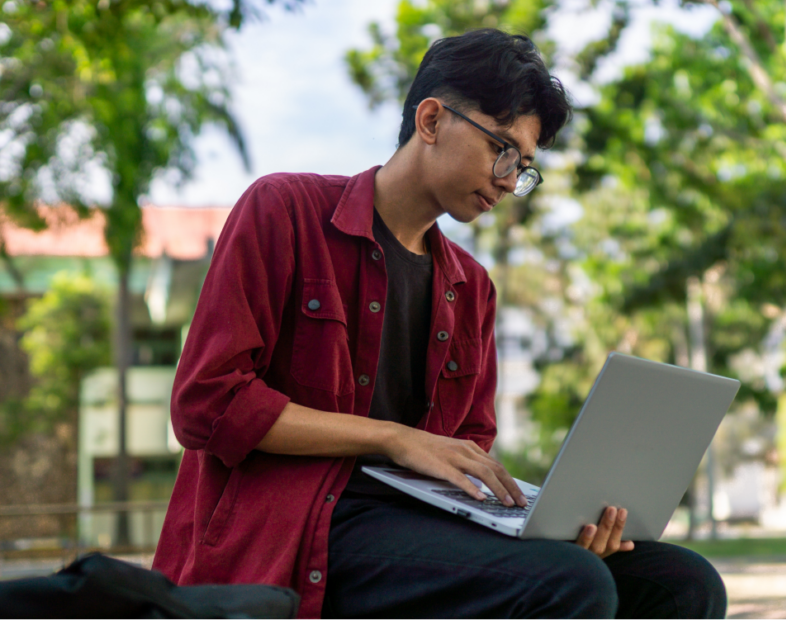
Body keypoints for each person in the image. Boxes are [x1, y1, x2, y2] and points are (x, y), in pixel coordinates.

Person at [153, 28, 727, 620]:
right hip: (293, 529)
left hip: (412, 528)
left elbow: (467, 444)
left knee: (683, 582)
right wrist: (394, 438)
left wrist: (544, 519)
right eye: (501, 148)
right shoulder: (284, 211)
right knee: (570, 584)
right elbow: (208, 402)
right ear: (430, 120)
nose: (509, 179)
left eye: (524, 166)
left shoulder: (471, 286)